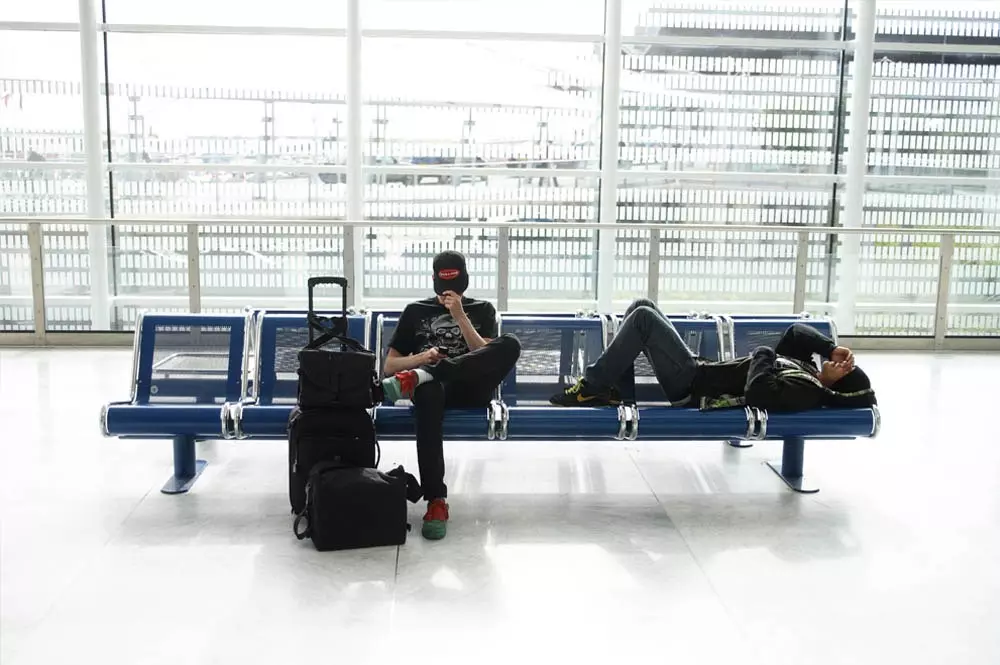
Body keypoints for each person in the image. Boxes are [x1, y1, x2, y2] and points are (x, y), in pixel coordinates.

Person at [381, 250, 521, 540]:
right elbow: (390, 367)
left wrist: (460, 316)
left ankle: (431, 373)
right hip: (432, 389)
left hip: (472, 386)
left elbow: (485, 354)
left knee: (510, 344)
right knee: (429, 394)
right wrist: (422, 358)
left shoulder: (482, 309)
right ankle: (436, 501)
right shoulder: (415, 311)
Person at [550, 299, 876, 412]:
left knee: (643, 320)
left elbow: (759, 394)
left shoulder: (807, 390)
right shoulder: (805, 368)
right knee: (641, 306)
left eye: (840, 370)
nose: (834, 364)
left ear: (837, 387)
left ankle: (591, 386)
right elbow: (796, 332)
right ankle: (615, 393)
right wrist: (830, 347)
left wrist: (764, 354)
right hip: (699, 371)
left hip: (694, 389)